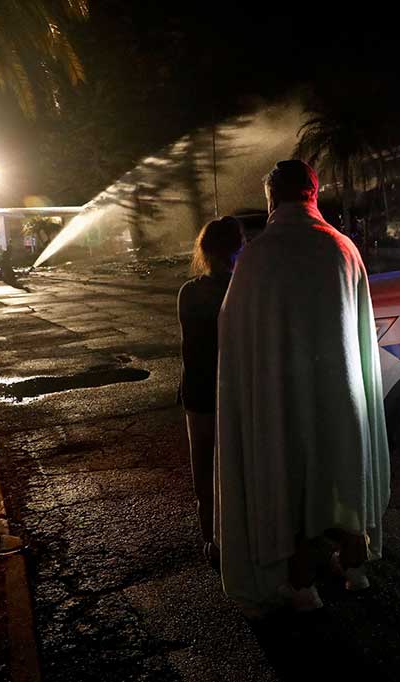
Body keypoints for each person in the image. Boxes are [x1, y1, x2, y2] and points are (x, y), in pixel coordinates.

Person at [216, 160, 390, 617]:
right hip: (343, 392)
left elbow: (233, 331)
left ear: (272, 197)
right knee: (344, 472)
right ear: (314, 193)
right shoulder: (343, 248)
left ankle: (302, 585)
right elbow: (360, 328)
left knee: (291, 484)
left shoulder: (258, 255)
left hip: (284, 399)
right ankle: (354, 567)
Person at [178, 217, 243, 569]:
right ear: (239, 249)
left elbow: (190, 348)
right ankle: (245, 536)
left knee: (204, 472)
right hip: (238, 393)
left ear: (203, 251)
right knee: (241, 468)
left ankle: (213, 541)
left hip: (199, 393)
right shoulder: (245, 292)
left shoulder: (189, 292)